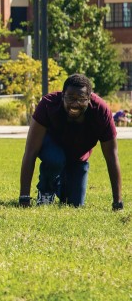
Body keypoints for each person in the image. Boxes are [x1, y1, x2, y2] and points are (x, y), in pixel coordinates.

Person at [19, 74, 124, 210]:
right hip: (52, 151)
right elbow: (30, 151)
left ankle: (60, 186)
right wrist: (24, 196)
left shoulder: (101, 111)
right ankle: (46, 190)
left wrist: (118, 202)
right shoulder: (48, 104)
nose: (75, 104)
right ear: (62, 95)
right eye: (70, 98)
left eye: (81, 99)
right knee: (56, 159)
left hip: (78, 158)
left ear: (89, 98)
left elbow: (111, 156)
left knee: (75, 203)